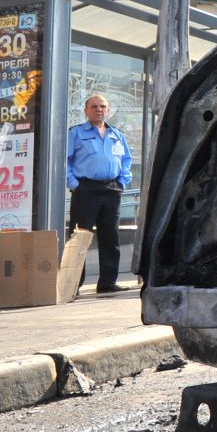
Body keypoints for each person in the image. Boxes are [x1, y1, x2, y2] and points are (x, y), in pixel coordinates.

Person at [65, 94, 132, 294]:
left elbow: (126, 160)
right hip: (86, 190)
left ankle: (107, 283)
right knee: (79, 238)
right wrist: (74, 184)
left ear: (108, 110)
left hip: (111, 191)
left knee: (110, 238)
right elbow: (64, 161)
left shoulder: (116, 135)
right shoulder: (76, 133)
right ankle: (73, 285)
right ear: (86, 110)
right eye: (94, 106)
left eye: (102, 106)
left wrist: (122, 182)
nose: (98, 109)